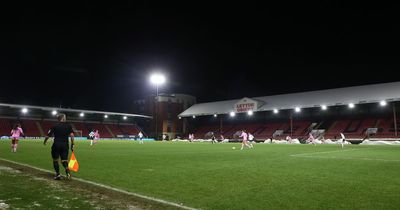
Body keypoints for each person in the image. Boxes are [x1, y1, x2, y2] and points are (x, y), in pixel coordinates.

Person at [43, 114, 75, 180]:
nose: (66, 118)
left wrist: (45, 141)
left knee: (55, 160)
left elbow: (48, 135)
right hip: (65, 145)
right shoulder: (69, 125)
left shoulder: (55, 125)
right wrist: (72, 144)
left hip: (56, 144)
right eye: (65, 117)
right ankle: (67, 172)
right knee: (64, 160)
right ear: (63, 118)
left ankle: (58, 175)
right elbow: (72, 135)